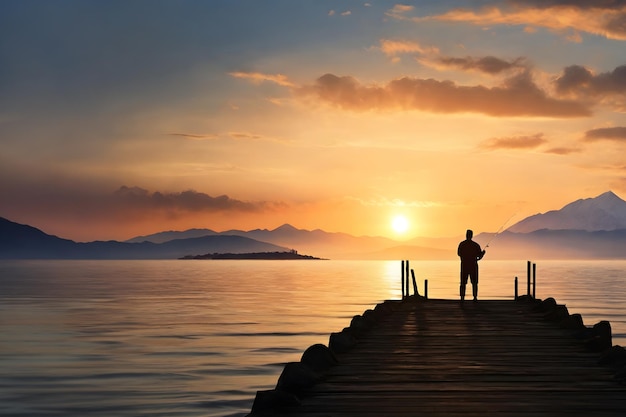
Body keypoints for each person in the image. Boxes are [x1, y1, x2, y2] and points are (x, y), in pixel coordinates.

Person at [457, 229, 485, 302]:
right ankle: (475, 298)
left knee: (463, 282)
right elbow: (479, 256)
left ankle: (462, 298)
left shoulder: (462, 244)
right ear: (472, 236)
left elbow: (459, 254)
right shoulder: (475, 245)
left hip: (464, 266)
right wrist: (483, 254)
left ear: (466, 235)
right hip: (473, 266)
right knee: (474, 283)